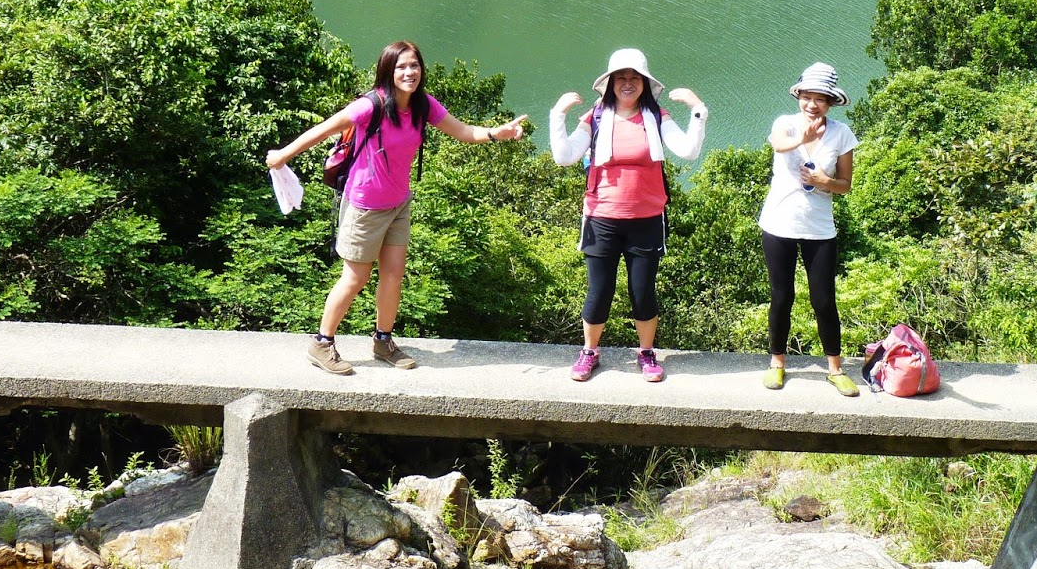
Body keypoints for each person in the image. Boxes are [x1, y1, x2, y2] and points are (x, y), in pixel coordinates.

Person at [266, 40, 527, 375]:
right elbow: (323, 130)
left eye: (414, 65)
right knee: (355, 278)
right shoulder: (370, 105)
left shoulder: (423, 105)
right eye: (401, 66)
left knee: (393, 275)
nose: (409, 72)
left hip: (398, 202)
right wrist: (282, 155)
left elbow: (462, 131)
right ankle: (321, 343)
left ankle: (383, 341)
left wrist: (496, 133)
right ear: (388, 71)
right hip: (365, 205)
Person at [549, 48, 707, 383]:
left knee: (643, 291)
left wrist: (697, 109)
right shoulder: (595, 117)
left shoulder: (656, 116)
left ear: (645, 83)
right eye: (620, 76)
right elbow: (565, 156)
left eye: (635, 77)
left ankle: (646, 353)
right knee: (599, 290)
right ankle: (589, 352)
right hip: (601, 217)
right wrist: (557, 115)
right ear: (609, 83)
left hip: (646, 218)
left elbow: (688, 150)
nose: (627, 82)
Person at [758, 62, 861, 397]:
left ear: (830, 102)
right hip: (779, 222)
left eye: (820, 98)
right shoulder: (785, 124)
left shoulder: (841, 134)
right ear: (798, 96)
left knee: (824, 300)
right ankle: (777, 362)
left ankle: (835, 369)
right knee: (781, 297)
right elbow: (778, 145)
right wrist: (801, 138)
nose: (812, 104)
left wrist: (824, 181)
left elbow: (845, 185)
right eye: (807, 96)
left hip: (819, 228)